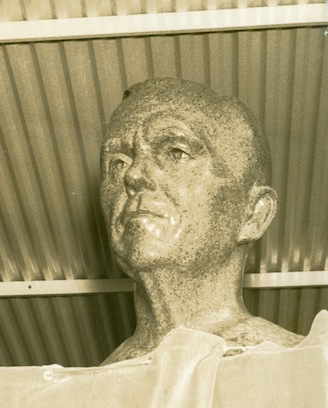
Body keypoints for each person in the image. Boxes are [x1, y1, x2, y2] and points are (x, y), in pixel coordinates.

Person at [98, 77, 304, 364]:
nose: (133, 176)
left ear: (254, 214)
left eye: (176, 152)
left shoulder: (307, 369)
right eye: (117, 162)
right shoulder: (78, 393)